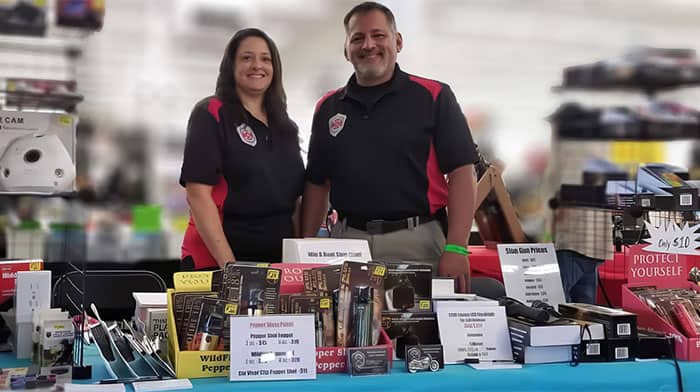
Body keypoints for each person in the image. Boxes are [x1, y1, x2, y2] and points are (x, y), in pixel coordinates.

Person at [301, 2, 479, 292]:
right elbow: (317, 184)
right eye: (357, 38)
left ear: (397, 42)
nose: (368, 45)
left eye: (378, 35)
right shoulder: (328, 108)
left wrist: (458, 247)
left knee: (418, 334)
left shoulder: (433, 97)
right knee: (348, 335)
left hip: (417, 242)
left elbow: (462, 172)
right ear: (346, 49)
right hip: (347, 244)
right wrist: (305, 249)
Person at [179, 28, 304, 270]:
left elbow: (294, 204)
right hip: (217, 262)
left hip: (275, 264)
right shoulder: (211, 113)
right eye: (247, 58)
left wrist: (298, 262)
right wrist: (231, 267)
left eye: (265, 59)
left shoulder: (286, 128)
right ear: (231, 66)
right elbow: (198, 194)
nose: (257, 65)